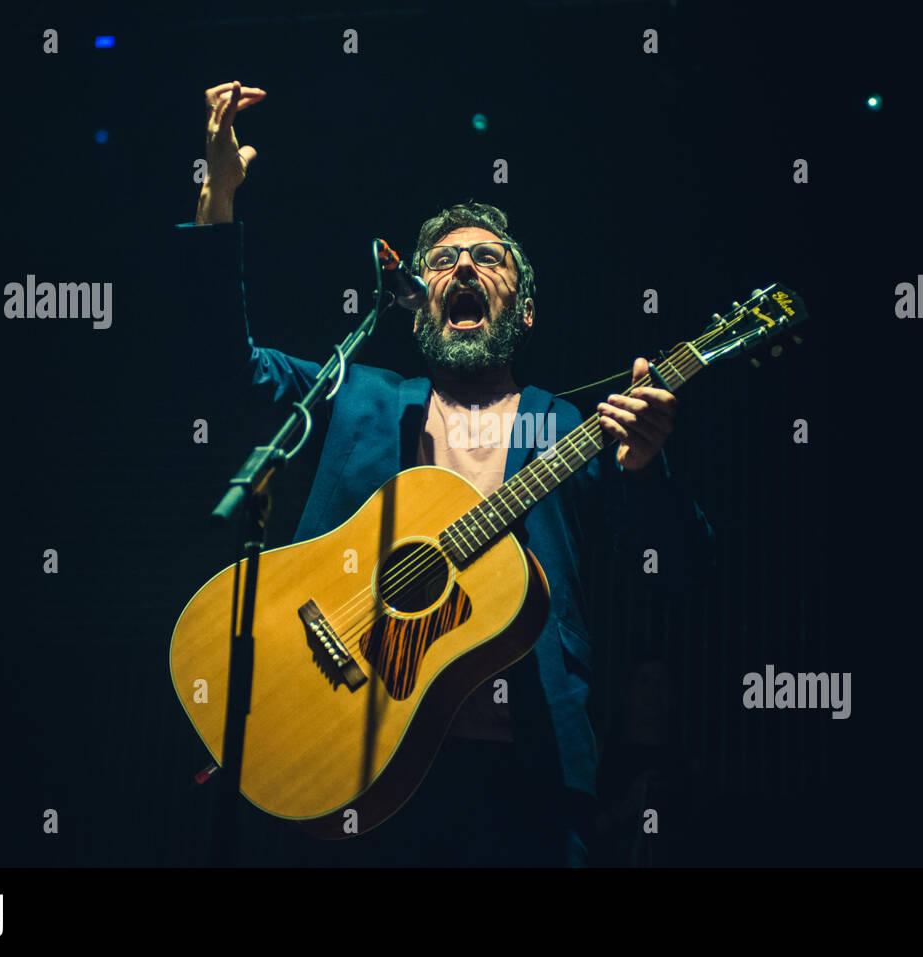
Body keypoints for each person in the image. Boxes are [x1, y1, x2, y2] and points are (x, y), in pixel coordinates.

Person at [176, 81, 714, 866]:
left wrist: (644, 469)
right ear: (419, 302)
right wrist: (216, 196)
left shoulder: (570, 427)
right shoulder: (358, 393)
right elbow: (223, 366)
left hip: (528, 779)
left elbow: (681, 570)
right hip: (351, 752)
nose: (462, 265)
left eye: (486, 259)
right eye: (442, 261)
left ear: (523, 310)